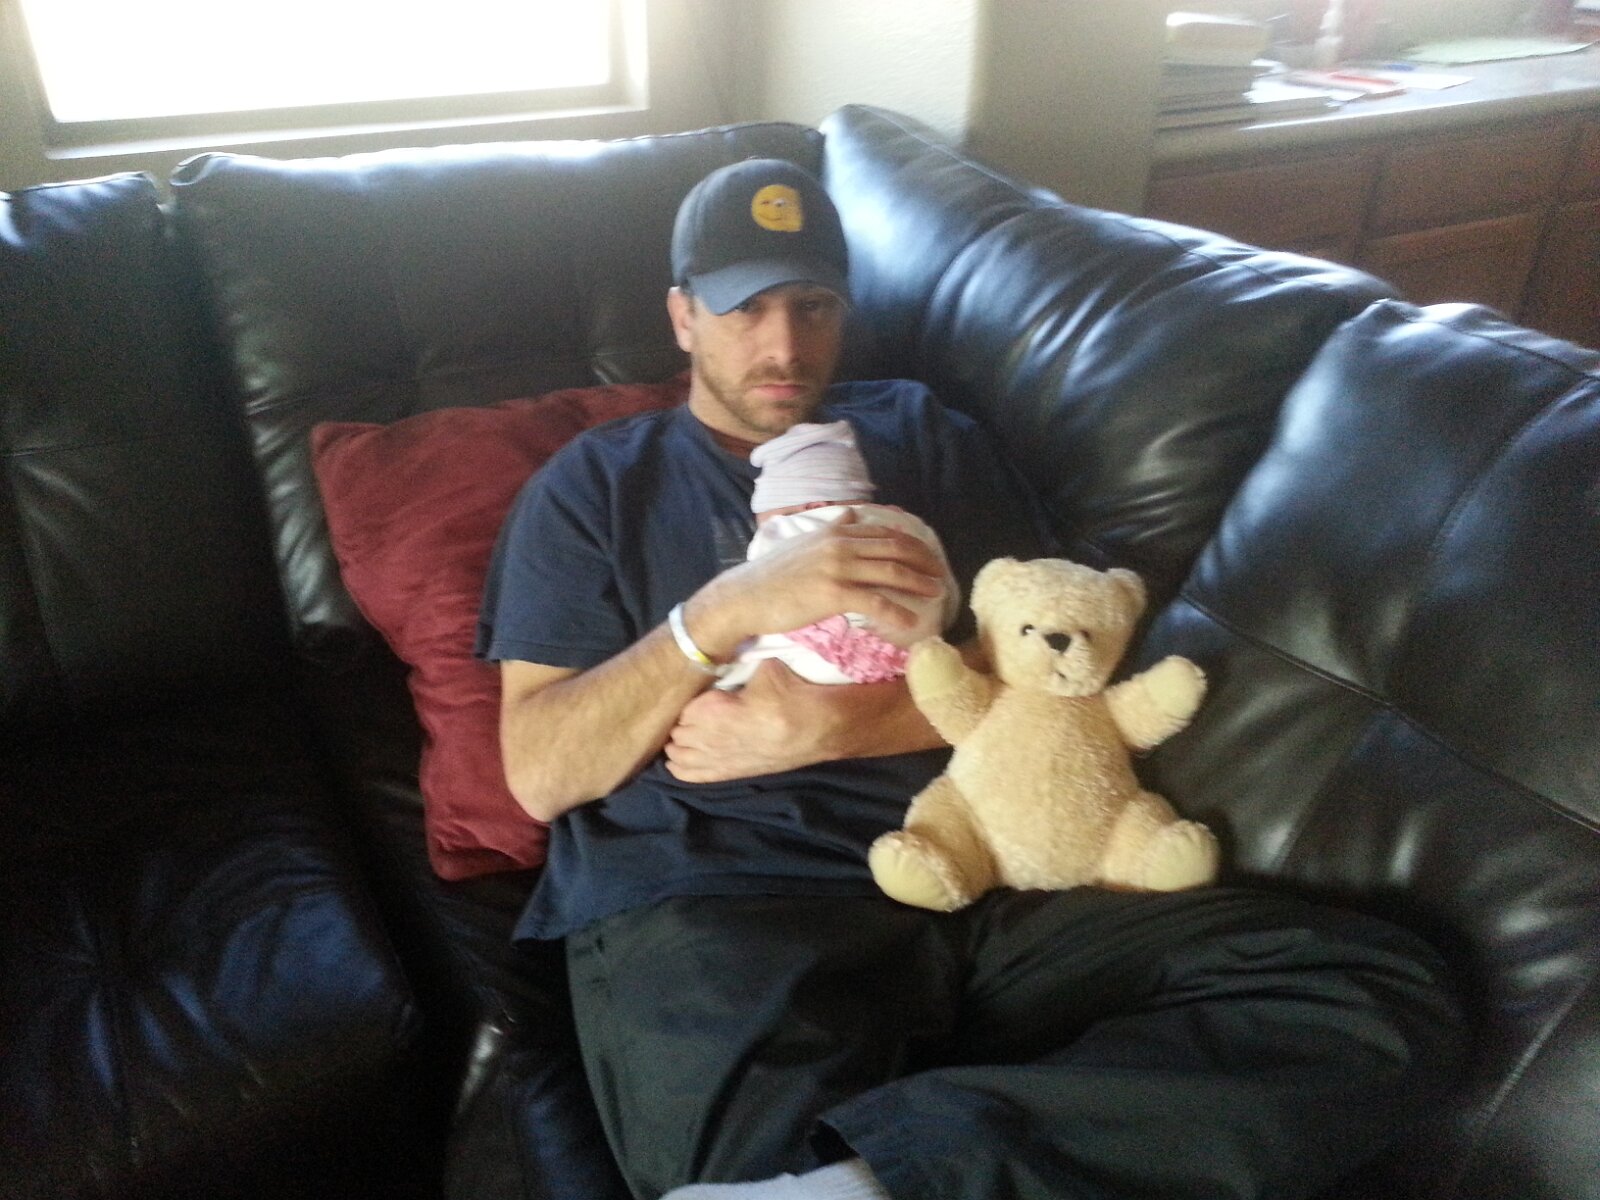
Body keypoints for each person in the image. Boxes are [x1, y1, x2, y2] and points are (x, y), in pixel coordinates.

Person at [477, 157, 1461, 1200]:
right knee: (753, 1170)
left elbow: (1054, 663)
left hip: (989, 868)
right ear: (681, 316)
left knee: (1381, 994)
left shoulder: (918, 431)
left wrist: (835, 727)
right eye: (745, 308)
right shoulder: (597, 486)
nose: (784, 345)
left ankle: (869, 1178)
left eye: (814, 307)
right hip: (724, 897)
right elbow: (540, 771)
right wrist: (724, 612)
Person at [716, 417, 960, 691]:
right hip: (914, 657)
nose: (763, 524)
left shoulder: (779, 530)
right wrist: (938, 624)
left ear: (812, 506)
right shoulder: (912, 525)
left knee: (744, 652)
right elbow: (948, 592)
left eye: (767, 515)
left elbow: (756, 593)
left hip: (814, 666)